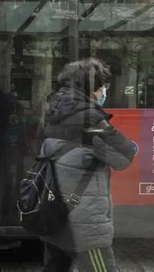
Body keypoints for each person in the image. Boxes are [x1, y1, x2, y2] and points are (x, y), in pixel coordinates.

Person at [40, 58, 136, 272]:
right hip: (84, 221)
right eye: (103, 87)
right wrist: (133, 147)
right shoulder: (90, 119)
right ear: (92, 89)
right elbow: (124, 156)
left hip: (55, 213)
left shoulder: (54, 111)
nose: (104, 92)